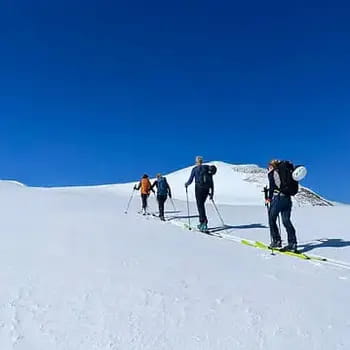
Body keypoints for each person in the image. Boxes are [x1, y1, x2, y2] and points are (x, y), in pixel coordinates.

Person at [266, 160, 298, 252]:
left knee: (272, 219)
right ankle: (292, 243)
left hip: (278, 198)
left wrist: (269, 197)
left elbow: (272, 186)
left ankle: (276, 241)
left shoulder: (273, 173)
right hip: (288, 199)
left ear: (272, 166)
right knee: (286, 221)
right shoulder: (286, 171)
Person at [185, 156, 214, 232]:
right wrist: (212, 193)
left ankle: (203, 223)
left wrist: (186, 184)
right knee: (202, 205)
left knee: (200, 205)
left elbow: (190, 180)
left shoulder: (195, 169)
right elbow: (211, 181)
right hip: (207, 189)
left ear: (197, 161)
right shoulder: (207, 168)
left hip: (198, 188)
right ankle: (203, 222)